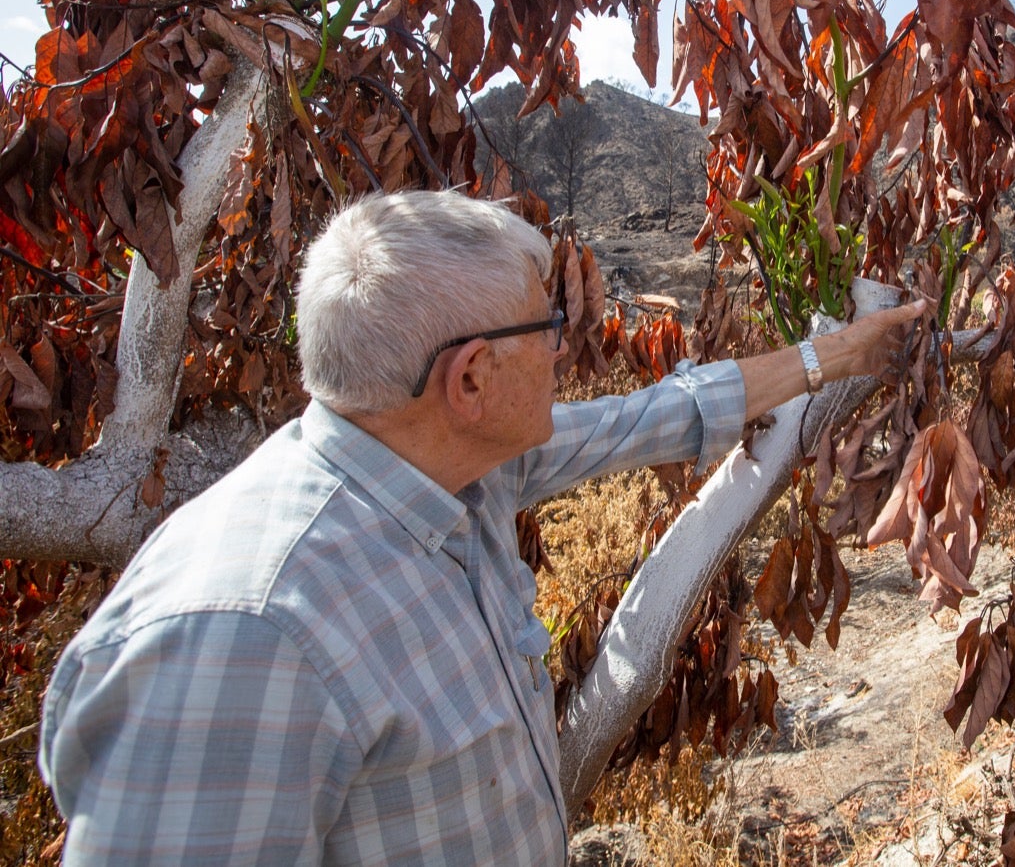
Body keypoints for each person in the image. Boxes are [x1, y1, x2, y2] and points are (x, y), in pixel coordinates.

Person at [38, 190, 923, 864]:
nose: (563, 346)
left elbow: (659, 413)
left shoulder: (457, 465)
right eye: (547, 325)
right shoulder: (243, 636)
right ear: (468, 380)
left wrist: (838, 355)